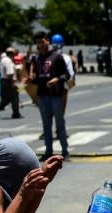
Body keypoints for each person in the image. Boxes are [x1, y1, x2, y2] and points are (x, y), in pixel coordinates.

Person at [30, 31, 71, 161]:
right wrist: (30, 79)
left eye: (42, 42)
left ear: (47, 42)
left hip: (55, 96)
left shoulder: (57, 57)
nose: (40, 45)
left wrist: (57, 79)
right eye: (38, 43)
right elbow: (37, 78)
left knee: (60, 124)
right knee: (46, 125)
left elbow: (67, 75)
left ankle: (65, 150)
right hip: (42, 96)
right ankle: (49, 151)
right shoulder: (37, 59)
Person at [0, 47, 22, 119]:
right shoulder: (8, 61)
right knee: (13, 97)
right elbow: (10, 73)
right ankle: (15, 113)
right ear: (12, 53)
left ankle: (14, 112)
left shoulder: (3, 60)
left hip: (3, 80)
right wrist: (12, 83)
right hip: (8, 80)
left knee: (8, 97)